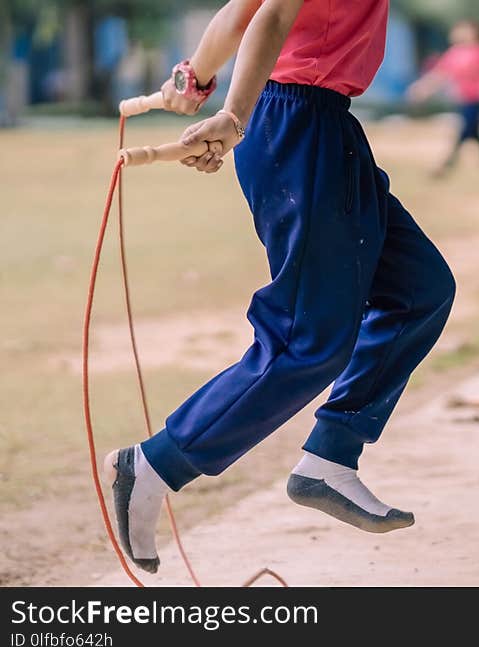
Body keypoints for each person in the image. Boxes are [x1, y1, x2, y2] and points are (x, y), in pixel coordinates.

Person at [105, 0, 456, 574]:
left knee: (418, 289)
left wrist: (194, 79)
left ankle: (331, 456)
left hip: (324, 122)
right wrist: (233, 116)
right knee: (308, 340)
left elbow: (237, 14)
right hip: (296, 124)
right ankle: (152, 465)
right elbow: (271, 17)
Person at [408, 20, 479, 177]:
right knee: (474, 132)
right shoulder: (454, 53)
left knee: (466, 130)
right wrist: (422, 89)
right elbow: (439, 75)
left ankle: (446, 166)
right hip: (462, 99)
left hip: (478, 98)